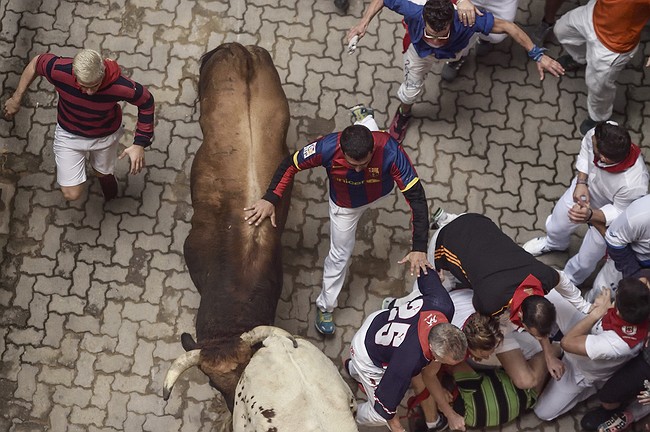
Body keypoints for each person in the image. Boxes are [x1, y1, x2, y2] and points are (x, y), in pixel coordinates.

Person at [244, 106, 431, 335]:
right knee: (340, 255)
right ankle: (325, 306)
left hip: (379, 192)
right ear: (342, 149)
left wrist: (420, 247)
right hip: (345, 208)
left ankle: (365, 120)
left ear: (372, 149)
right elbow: (290, 165)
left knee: (375, 136)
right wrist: (271, 197)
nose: (359, 169)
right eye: (353, 164)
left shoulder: (391, 151)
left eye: (365, 163)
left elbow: (417, 199)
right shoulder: (326, 148)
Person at [346, 0, 564, 143]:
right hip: (419, 55)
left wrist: (537, 54)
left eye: (442, 35)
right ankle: (403, 114)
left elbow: (509, 27)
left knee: (481, 42)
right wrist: (363, 22)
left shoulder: (467, 20)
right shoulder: (413, 10)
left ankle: (459, 61)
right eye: (431, 34)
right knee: (410, 91)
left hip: (457, 50)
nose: (436, 41)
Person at [427, 212, 589, 389]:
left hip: (478, 222)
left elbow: (563, 280)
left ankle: (450, 219)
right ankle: (446, 223)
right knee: (436, 286)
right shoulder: (490, 302)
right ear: (519, 314)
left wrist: (584, 306)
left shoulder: (546, 276)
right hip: (445, 245)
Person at [3, 49, 155, 202]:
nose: (89, 92)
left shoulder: (121, 86)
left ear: (102, 74)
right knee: (71, 194)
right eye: (83, 86)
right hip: (69, 134)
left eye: (94, 86)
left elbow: (146, 102)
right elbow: (36, 63)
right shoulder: (59, 70)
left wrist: (140, 143)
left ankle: (106, 183)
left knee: (102, 172)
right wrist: (16, 98)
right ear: (74, 75)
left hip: (105, 135)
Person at [523, 122, 649, 287]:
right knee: (557, 223)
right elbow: (586, 146)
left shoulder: (635, 183)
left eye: (595, 145)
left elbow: (621, 212)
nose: (591, 139)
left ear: (603, 158)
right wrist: (581, 182)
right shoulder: (602, 132)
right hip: (584, 189)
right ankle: (555, 244)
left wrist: (590, 215)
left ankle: (569, 281)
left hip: (608, 220)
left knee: (587, 259)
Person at [347, 270, 467, 432]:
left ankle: (351, 368)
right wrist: (399, 430)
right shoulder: (408, 362)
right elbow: (387, 411)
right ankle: (346, 412)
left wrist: (431, 271)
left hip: (377, 321)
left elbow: (425, 270)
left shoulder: (443, 304)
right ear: (433, 350)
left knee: (384, 357)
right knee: (379, 415)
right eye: (443, 361)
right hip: (365, 353)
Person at [533, 278, 650, 421]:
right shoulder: (639, 308)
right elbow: (551, 277)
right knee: (543, 288)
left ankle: (591, 388)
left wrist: (597, 313)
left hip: (580, 369)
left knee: (543, 413)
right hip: (586, 327)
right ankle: (555, 347)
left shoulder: (617, 344)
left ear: (618, 310)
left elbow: (567, 343)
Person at [552, 0, 650, 134]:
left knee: (599, 87)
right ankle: (581, 58)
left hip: (614, 45)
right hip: (593, 14)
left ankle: (598, 118)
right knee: (562, 30)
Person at [584, 194, 650, 302]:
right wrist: (633, 274)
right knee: (602, 293)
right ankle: (585, 309)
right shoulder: (641, 215)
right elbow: (614, 241)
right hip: (630, 262)